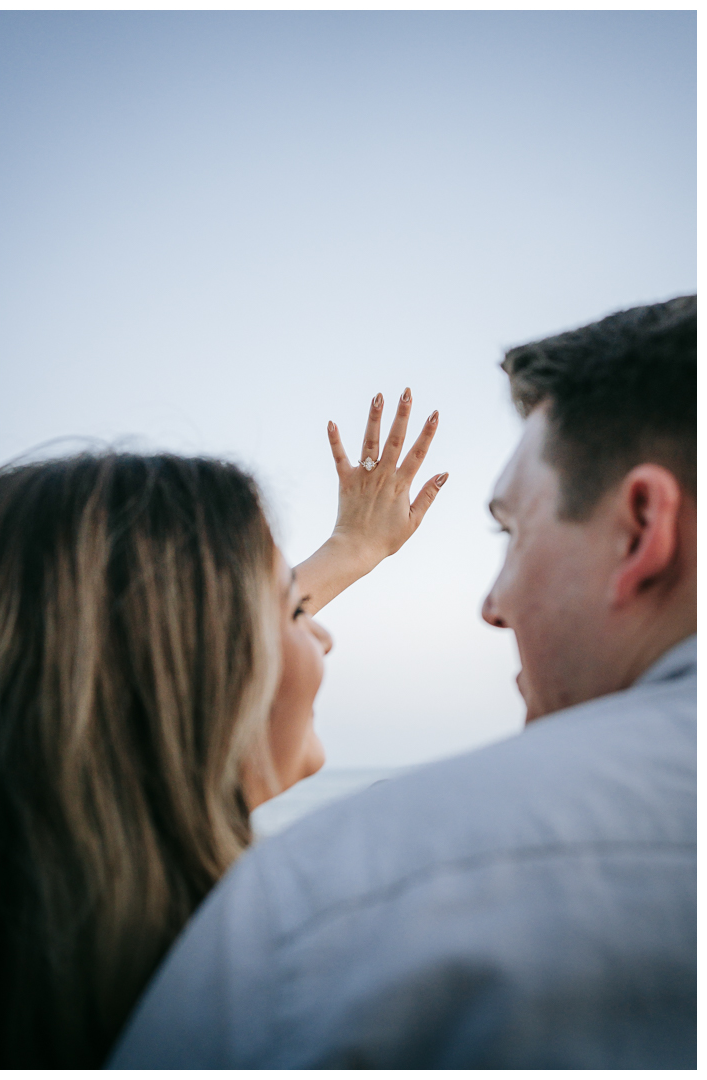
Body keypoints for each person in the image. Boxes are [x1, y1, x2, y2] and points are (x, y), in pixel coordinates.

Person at [109, 294, 697, 1070]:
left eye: (511, 532)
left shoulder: (325, 908)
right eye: (289, 608)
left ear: (641, 528)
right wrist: (348, 550)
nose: (491, 607)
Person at [0, 394, 447, 1068]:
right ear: (193, 684)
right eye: (295, 609)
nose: (322, 634)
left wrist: (350, 549)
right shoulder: (276, 1002)